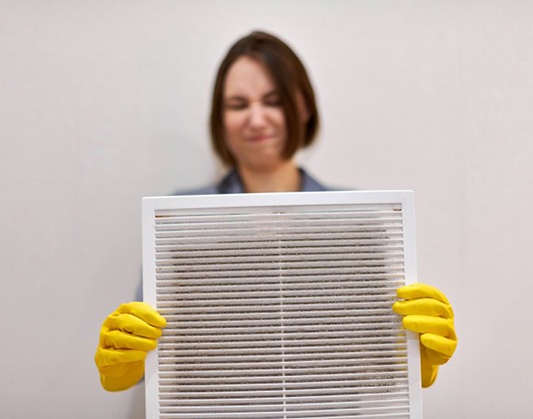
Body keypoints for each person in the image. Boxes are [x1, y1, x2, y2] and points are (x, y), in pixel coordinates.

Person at [94, 30, 457, 393]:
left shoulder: (357, 223)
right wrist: (126, 357)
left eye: (273, 101)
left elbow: (373, 360)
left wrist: (410, 356)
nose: (256, 119)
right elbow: (151, 353)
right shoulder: (176, 223)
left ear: (303, 107)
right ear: (220, 118)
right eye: (238, 104)